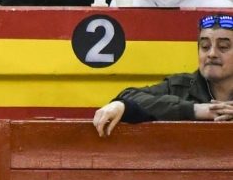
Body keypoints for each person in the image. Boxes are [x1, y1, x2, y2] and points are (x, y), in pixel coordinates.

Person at [93, 13, 233, 136]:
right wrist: (194, 110)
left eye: (223, 47)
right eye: (205, 47)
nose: (211, 54)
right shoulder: (180, 86)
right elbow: (128, 96)